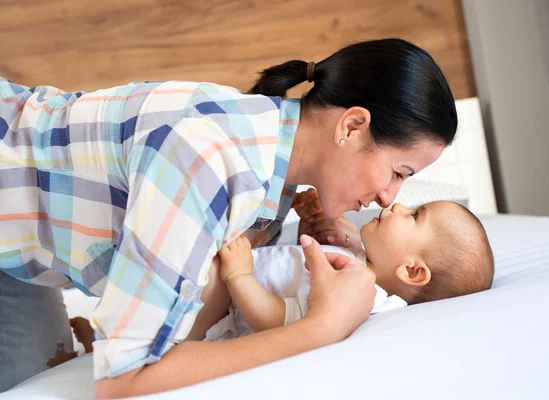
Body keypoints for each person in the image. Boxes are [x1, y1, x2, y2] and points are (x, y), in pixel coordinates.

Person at [0, 38, 457, 397]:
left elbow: (199, 317)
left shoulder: (274, 184)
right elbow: (121, 379)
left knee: (36, 370)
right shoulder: (208, 158)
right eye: (398, 173)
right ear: (352, 126)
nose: (387, 198)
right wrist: (319, 328)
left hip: (22, 249)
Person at [70, 196, 495, 345]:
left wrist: (239, 277)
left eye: (415, 215)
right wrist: (317, 228)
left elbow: (278, 320)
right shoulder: (363, 266)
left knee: (189, 280)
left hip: (219, 318)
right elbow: (305, 264)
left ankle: (106, 335)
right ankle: (97, 334)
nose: (397, 204)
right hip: (225, 295)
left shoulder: (363, 297)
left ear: (413, 272)